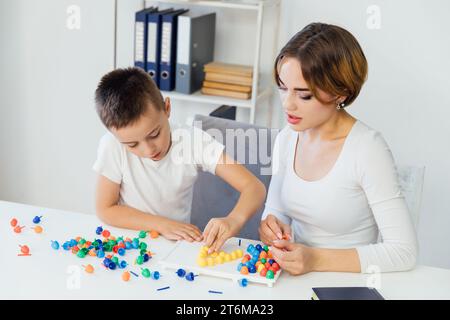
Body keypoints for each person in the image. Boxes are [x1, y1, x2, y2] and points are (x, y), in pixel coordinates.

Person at [259, 23, 418, 275]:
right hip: (291, 279)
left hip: (347, 284)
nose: (287, 104)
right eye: (283, 88)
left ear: (340, 92)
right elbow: (277, 211)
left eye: (304, 95)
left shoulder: (367, 149)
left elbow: (403, 252)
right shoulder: (287, 138)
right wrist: (270, 227)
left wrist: (314, 260)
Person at [93, 67, 266, 253]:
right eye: (132, 144)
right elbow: (106, 208)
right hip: (127, 243)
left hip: (174, 247)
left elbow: (254, 187)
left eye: (154, 134)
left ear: (167, 108)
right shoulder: (111, 145)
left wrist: (234, 220)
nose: (148, 149)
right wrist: (162, 225)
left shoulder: (192, 141)